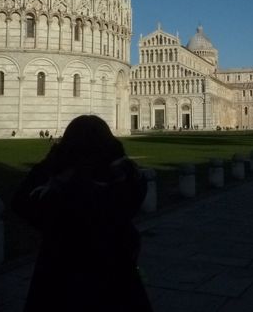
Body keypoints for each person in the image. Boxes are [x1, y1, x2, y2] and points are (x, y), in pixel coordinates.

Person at [12, 115, 152, 311]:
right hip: (117, 283)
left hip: (59, 285)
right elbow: (133, 192)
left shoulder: (60, 195)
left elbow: (21, 202)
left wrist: (56, 159)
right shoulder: (122, 184)